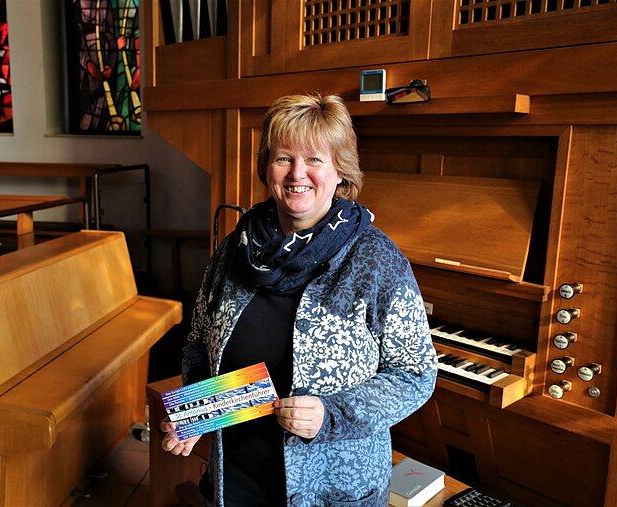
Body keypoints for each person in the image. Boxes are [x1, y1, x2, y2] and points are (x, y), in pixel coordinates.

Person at [161, 93, 438, 506]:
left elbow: (416, 373)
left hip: (332, 488)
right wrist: (198, 411)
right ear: (266, 167)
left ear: (340, 170)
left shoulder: (375, 258)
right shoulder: (234, 248)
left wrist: (332, 414)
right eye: (283, 158)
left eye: (314, 159)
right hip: (236, 474)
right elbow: (199, 343)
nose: (297, 174)